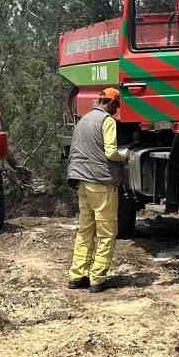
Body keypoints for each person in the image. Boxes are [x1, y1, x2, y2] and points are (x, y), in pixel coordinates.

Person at [66, 86, 129, 293]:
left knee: (85, 229)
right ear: (110, 103)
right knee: (106, 232)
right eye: (116, 104)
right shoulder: (107, 121)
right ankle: (97, 278)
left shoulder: (84, 119)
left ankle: (77, 275)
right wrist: (126, 155)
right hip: (101, 182)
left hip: (81, 180)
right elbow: (111, 152)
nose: (116, 109)